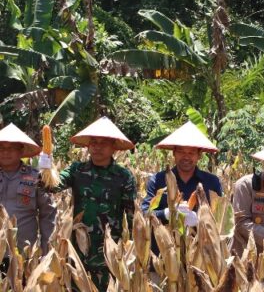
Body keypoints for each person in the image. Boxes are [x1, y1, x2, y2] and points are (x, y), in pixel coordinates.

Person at [40, 116, 136, 288]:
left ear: (114, 147)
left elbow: (131, 215)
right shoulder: (76, 170)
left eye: (103, 143)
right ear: (88, 146)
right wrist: (45, 167)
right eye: (94, 142)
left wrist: (131, 248)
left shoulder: (124, 176)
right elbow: (52, 187)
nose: (97, 147)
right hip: (78, 250)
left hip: (109, 251)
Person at [141, 121, 223, 228]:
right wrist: (166, 213)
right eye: (181, 151)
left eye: (191, 152)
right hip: (164, 237)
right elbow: (144, 213)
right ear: (174, 153)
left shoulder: (211, 182)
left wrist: (200, 219)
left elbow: (220, 217)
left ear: (199, 155)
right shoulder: (158, 180)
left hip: (200, 238)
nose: (186, 157)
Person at [0, 123, 56, 255]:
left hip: (24, 252)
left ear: (21, 151)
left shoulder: (36, 177)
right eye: (1, 148)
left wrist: (46, 251)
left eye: (11, 148)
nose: (5, 152)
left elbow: (48, 215)